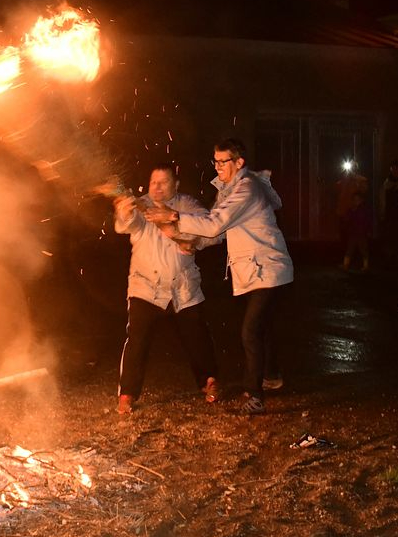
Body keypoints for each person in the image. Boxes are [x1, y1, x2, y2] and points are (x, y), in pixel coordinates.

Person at [144, 139, 293, 415]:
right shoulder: (231, 189)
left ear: (239, 163)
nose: (217, 167)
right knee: (261, 326)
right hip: (255, 269)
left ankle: (255, 395)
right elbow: (219, 231)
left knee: (250, 330)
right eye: (215, 161)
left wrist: (175, 216)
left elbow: (214, 224)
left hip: (268, 267)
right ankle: (272, 376)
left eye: (223, 161)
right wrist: (193, 243)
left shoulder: (246, 188)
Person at [113, 163, 221, 415]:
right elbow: (124, 225)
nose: (157, 187)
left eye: (163, 182)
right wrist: (124, 212)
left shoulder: (187, 206)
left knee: (197, 337)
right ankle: (127, 394)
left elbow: (212, 232)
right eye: (153, 182)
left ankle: (210, 382)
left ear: (176, 185)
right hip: (145, 286)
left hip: (183, 287)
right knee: (137, 340)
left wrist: (186, 235)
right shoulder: (139, 205)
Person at [379, 160, 398, 269]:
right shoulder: (386, 184)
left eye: (397, 168)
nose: (395, 171)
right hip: (390, 214)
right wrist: (382, 212)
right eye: (393, 169)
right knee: (390, 236)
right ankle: (389, 257)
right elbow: (382, 199)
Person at [342, 191, 372, 271]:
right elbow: (347, 219)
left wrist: (368, 230)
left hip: (361, 233)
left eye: (358, 199)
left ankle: (366, 265)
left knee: (363, 249)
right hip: (353, 232)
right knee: (350, 248)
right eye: (354, 199)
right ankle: (345, 264)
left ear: (362, 200)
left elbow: (367, 220)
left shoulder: (364, 209)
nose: (356, 201)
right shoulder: (351, 209)